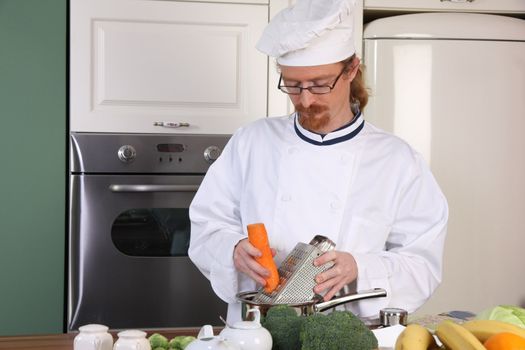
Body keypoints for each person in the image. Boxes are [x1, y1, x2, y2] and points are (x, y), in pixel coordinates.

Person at [188, 0, 448, 323]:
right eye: (293, 86)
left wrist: (360, 268)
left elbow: (423, 265)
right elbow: (205, 228)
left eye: (319, 84)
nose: (306, 100)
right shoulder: (251, 143)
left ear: (351, 69)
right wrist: (233, 249)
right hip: (256, 334)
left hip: (348, 337)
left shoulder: (398, 162)